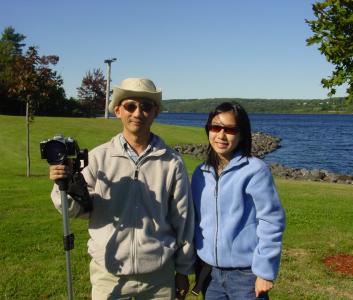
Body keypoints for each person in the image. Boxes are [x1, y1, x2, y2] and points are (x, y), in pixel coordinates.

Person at [49, 78, 195, 300]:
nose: (138, 113)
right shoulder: (97, 158)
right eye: (130, 106)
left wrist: (183, 270)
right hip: (109, 275)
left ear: (155, 112)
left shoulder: (172, 162)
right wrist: (63, 185)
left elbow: (183, 218)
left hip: (159, 277)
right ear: (118, 110)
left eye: (146, 106)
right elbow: (75, 211)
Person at [191, 102, 286, 299]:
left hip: (246, 276)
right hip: (210, 274)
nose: (221, 135)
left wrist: (265, 271)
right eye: (216, 127)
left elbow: (271, 221)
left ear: (242, 133)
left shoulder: (255, 170)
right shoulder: (200, 173)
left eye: (230, 129)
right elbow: (195, 220)